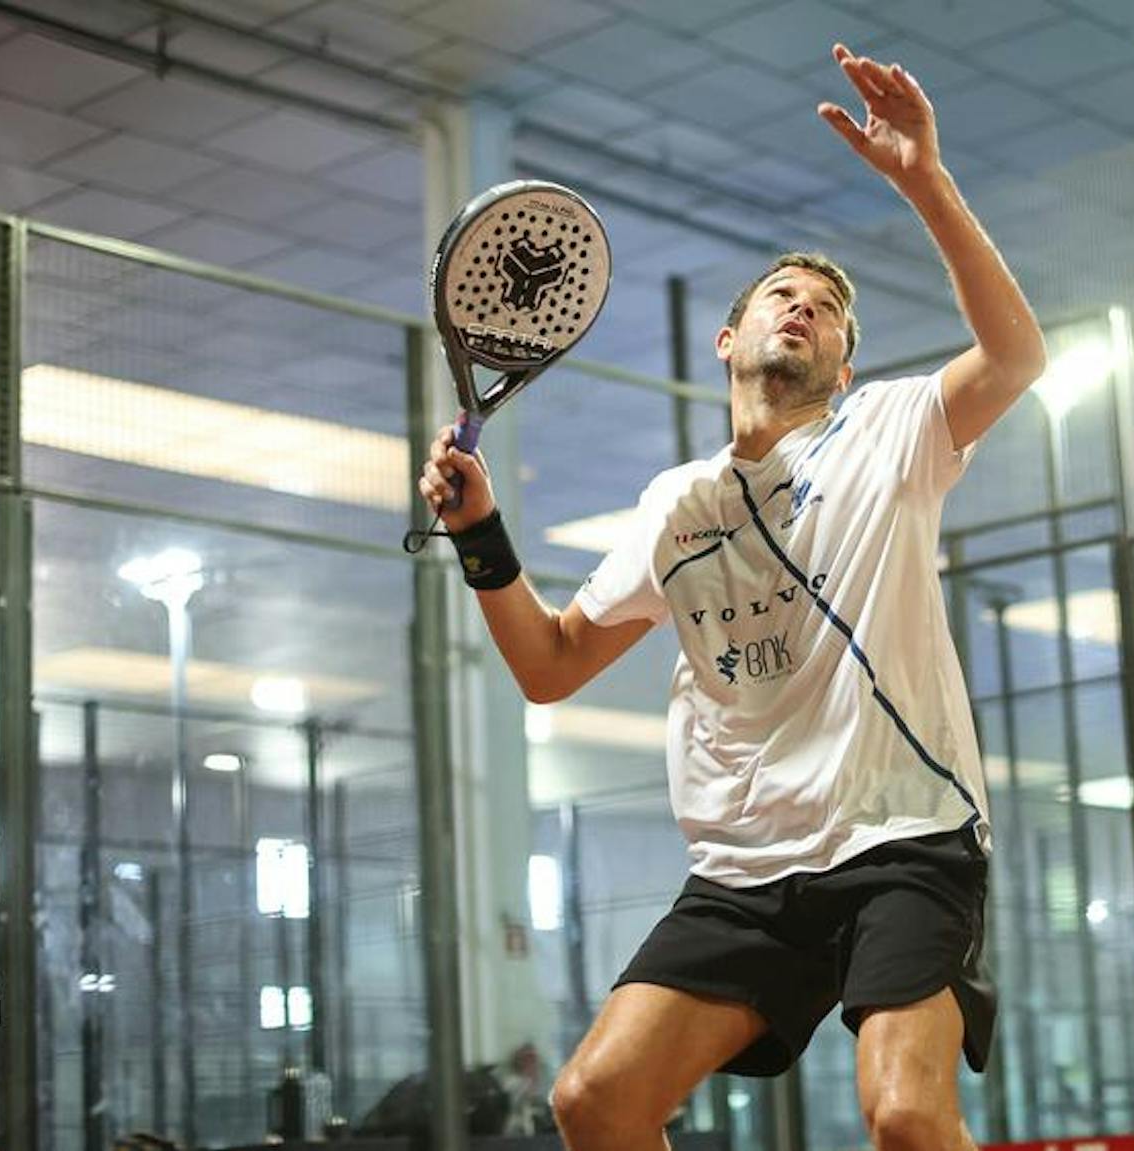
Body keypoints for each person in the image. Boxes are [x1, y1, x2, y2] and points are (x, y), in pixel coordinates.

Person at [416, 43, 1046, 1151]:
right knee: (592, 1100)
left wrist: (922, 181)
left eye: (824, 311)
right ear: (730, 339)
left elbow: (1014, 353)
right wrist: (480, 536)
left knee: (902, 1113)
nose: (800, 312)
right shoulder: (679, 504)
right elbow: (549, 664)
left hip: (902, 838)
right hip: (745, 871)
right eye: (779, 297)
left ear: (844, 364)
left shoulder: (891, 432)